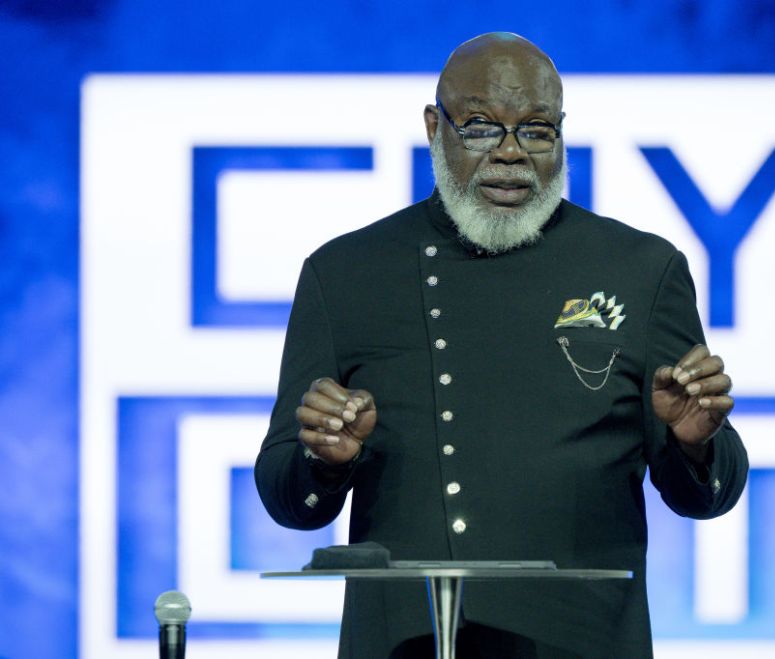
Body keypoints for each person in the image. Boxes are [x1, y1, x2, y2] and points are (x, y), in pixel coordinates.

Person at [255, 32, 748, 658]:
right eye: (483, 127)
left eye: (538, 130)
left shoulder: (641, 269)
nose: (511, 154)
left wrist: (695, 441)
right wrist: (325, 461)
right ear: (435, 127)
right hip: (408, 642)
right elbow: (285, 497)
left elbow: (708, 497)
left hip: (582, 643)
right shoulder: (346, 273)